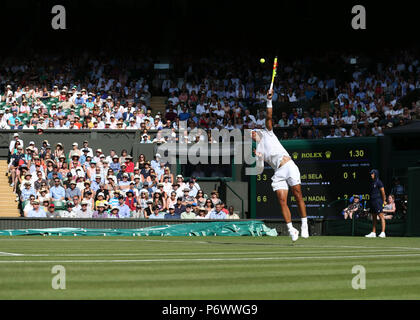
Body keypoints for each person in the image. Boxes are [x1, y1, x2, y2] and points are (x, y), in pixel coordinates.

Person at [252, 89, 308, 241]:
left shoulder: (268, 132)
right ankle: (291, 230)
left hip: (289, 166)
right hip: (278, 173)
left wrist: (269, 100)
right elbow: (260, 169)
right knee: (282, 201)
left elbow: (269, 116)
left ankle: (304, 224)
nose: (252, 133)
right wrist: (258, 158)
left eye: (254, 130)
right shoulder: (259, 150)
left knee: (298, 195)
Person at [365, 169, 387, 238]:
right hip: (372, 201)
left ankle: (383, 232)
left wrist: (384, 201)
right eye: (371, 174)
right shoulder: (372, 182)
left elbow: (383, 192)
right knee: (374, 217)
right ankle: (373, 232)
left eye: (372, 174)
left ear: (375, 174)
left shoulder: (379, 182)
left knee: (381, 216)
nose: (371, 175)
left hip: (378, 201)